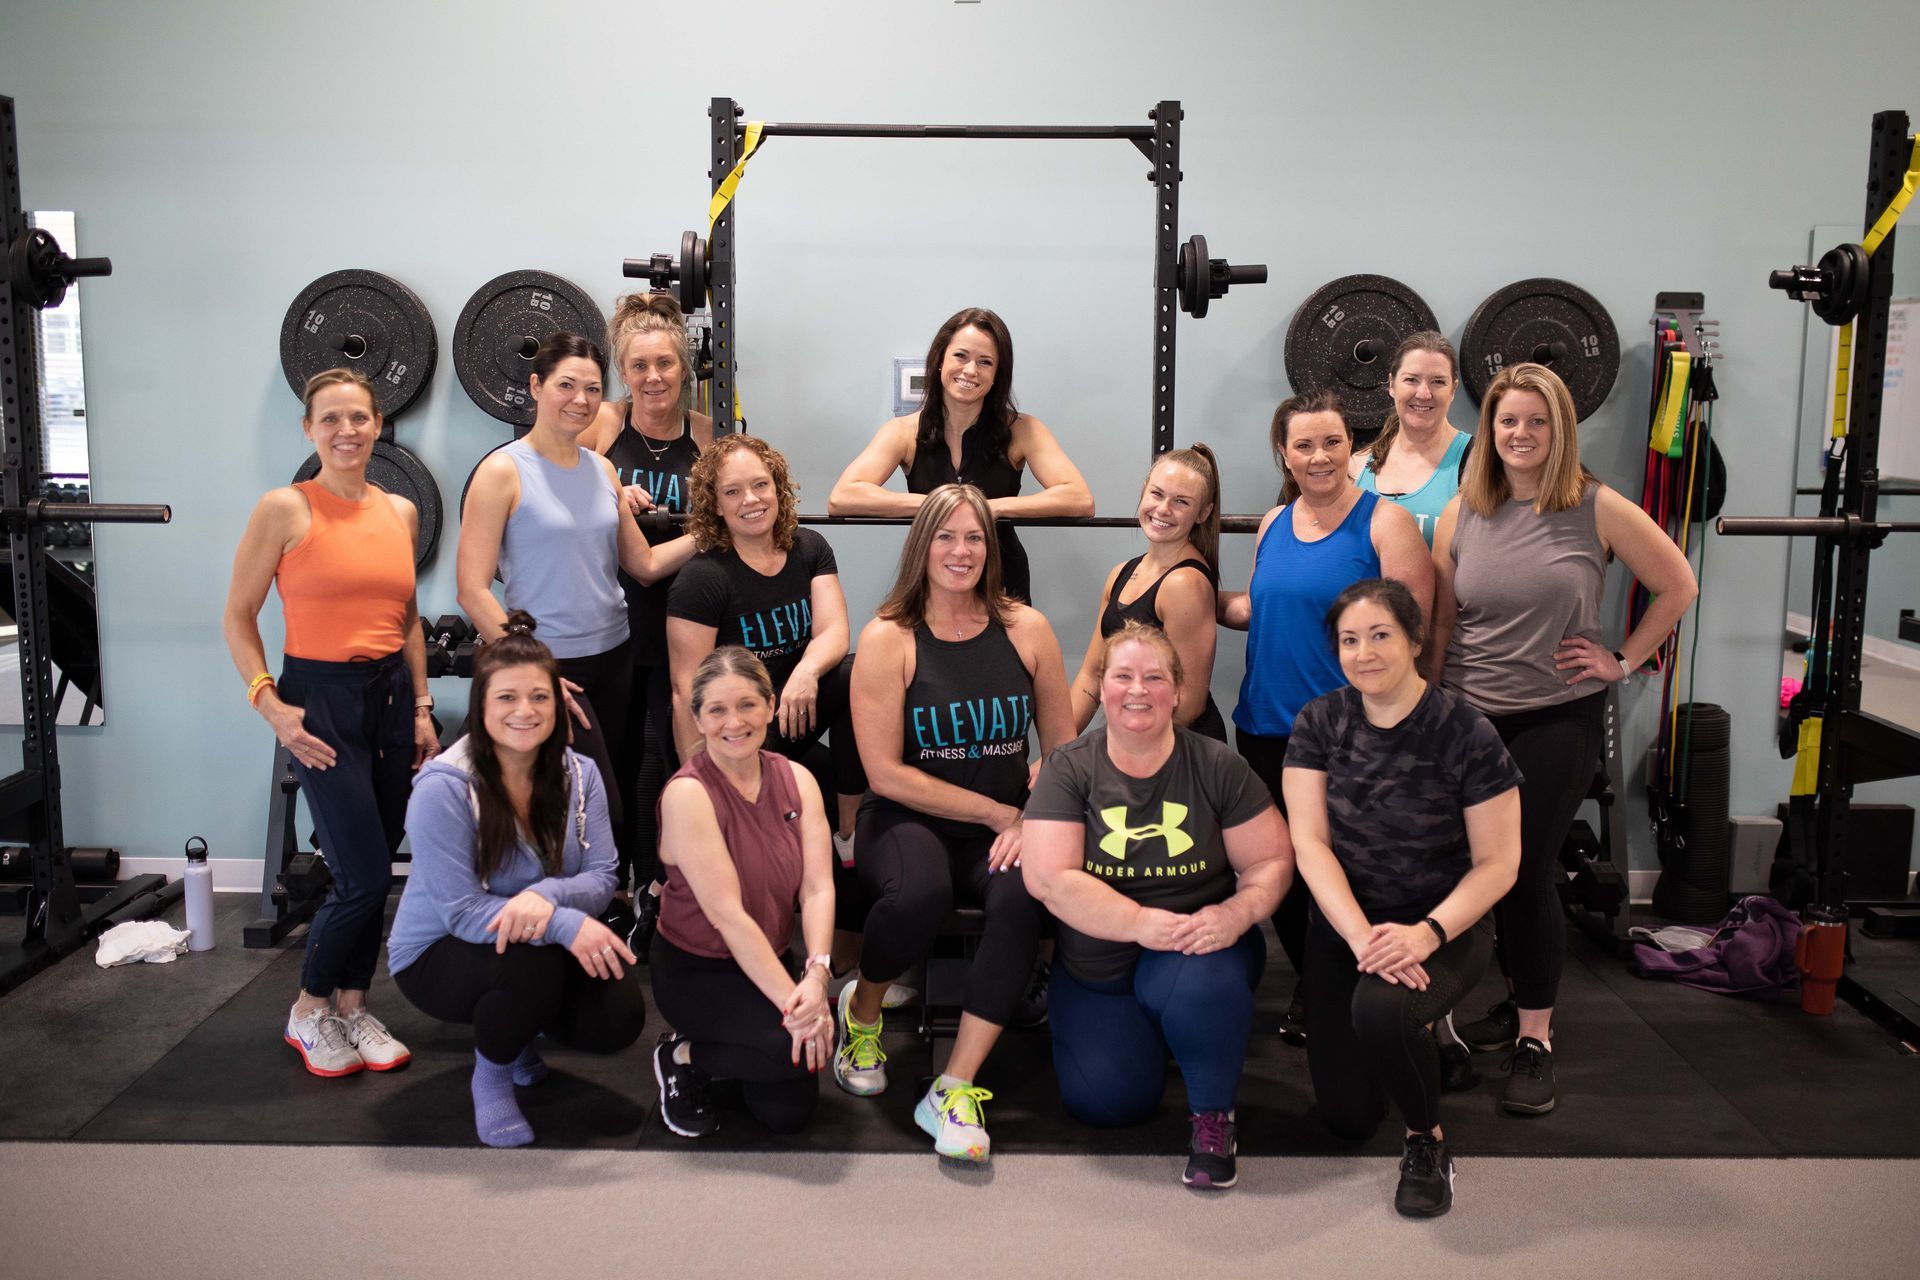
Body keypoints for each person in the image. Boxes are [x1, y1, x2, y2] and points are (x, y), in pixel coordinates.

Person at [1431, 362, 1697, 1114]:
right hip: (1469, 716)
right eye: (1508, 421)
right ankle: (1515, 1001)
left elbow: (1677, 584)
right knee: (1476, 872)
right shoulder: (1463, 512)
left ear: (1560, 431)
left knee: (1527, 870)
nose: (1520, 434)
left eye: (1536, 422)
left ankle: (1535, 1040)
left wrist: (1624, 659)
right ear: (1490, 430)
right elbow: (1448, 622)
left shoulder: (1596, 506)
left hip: (1556, 714)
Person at [839, 484, 1073, 1162]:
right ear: (922, 546)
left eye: (975, 538)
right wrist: (1002, 811)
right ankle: (862, 1010)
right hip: (909, 818)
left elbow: (1061, 751)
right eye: (946, 536)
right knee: (921, 895)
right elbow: (884, 773)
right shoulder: (889, 637)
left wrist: (1033, 819)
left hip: (1006, 826)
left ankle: (954, 1084)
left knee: (1022, 895)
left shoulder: (1027, 629)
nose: (961, 551)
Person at [1024, 622, 1292, 1190]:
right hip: (1099, 965)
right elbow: (1049, 878)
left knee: (1199, 989)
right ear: (1102, 685)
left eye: (1154, 677)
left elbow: (1271, 861)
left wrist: (1237, 914)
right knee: (1107, 1102)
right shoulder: (1069, 767)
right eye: (1122, 676)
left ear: (1177, 690)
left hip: (1197, 947)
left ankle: (1214, 1122)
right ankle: (1163, 1039)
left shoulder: (1217, 765)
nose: (1137, 690)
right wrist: (1141, 923)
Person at [1283, 579, 1522, 1217]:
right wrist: (1363, 937)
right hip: (1348, 928)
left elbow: (1500, 864)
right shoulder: (1319, 722)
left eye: (1381, 635)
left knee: (1383, 1011)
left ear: (1416, 640)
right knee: (1349, 1119)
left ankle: (1427, 1142)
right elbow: (1310, 845)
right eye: (1350, 640)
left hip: (1444, 927)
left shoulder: (1466, 732)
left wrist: (1425, 935)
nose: (1365, 652)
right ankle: (1419, 1044)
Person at [222, 367, 436, 1078]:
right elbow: (237, 617)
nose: (347, 430)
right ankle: (309, 1010)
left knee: (380, 856)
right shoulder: (285, 508)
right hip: (320, 699)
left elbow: (406, 620)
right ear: (309, 429)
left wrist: (423, 705)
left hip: (391, 700)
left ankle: (352, 1005)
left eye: (359, 418)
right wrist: (270, 703)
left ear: (379, 425)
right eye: (331, 419)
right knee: (364, 875)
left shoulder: (399, 512)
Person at [1218, 389, 1431, 1040]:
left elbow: (1414, 633)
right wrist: (1185, 593)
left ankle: (1343, 992)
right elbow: (1260, 610)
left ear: (1352, 449)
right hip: (1262, 724)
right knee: (1278, 867)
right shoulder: (1272, 524)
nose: (1319, 456)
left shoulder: (1382, 524)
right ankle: (1319, 982)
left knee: (1340, 871)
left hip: (1347, 735)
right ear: (1283, 453)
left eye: (1332, 442)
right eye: (1304, 444)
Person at [388, 613, 644, 1147]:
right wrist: (564, 924)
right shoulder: (443, 789)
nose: (524, 711)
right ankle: (493, 1077)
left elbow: (603, 875)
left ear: (559, 705)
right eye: (506, 698)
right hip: (438, 950)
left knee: (617, 1015)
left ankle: (516, 1031)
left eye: (539, 697)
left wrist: (546, 900)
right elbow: (459, 911)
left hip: (526, 940)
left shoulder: (581, 774)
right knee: (528, 968)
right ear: (482, 708)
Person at [457, 332, 695, 876]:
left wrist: (718, 527)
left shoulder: (602, 470)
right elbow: (470, 588)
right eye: (566, 385)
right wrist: (530, 669)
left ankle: (593, 918)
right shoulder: (502, 471)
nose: (580, 399)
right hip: (548, 664)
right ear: (537, 386)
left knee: (604, 810)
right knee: (564, 808)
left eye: (592, 388)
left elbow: (643, 565)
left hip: (615, 659)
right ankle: (542, 928)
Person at [649, 646, 836, 1138]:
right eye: (716, 710)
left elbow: (818, 887)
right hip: (698, 968)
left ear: (771, 706)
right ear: (698, 718)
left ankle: (748, 1043)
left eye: (747, 704)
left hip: (771, 955)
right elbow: (729, 917)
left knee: (790, 1111)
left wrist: (817, 977)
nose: (734, 722)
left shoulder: (798, 779)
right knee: (790, 1050)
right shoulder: (688, 794)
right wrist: (798, 1010)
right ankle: (681, 1054)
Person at [585, 292, 713, 937]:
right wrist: (606, 478)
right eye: (640, 367)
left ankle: (671, 890)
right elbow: (549, 468)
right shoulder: (605, 425)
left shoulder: (706, 434)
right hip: (619, 616)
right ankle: (625, 890)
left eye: (665, 364)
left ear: (683, 368)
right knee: (621, 755)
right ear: (623, 371)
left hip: (688, 620)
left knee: (673, 756)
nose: (654, 377)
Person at [666, 434, 864, 837]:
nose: (751, 500)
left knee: (857, 674)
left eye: (760, 485)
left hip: (795, 704)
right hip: (744, 725)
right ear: (716, 506)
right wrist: (702, 782)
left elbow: (834, 631)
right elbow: (686, 689)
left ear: (777, 487)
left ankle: (852, 829)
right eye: (733, 492)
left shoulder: (809, 547)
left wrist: (806, 672)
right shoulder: (702, 579)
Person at [827, 306, 1093, 603]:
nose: (970, 370)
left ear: (996, 375)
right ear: (940, 359)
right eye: (960, 356)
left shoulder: (1024, 429)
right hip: (930, 576)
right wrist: (937, 505)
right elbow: (842, 498)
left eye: (985, 362)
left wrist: (993, 508)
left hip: (1002, 579)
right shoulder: (902, 431)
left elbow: (1079, 499)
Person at [1068, 445, 1227, 741]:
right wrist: (1054, 751)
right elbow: (1091, 678)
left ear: (1203, 512)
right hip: (1134, 740)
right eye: (1157, 494)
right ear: (1143, 491)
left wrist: (1117, 753)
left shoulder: (1184, 584)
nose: (1163, 509)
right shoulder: (1121, 574)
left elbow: (1188, 706)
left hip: (1179, 751)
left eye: (1181, 502)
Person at [1350, 331, 1471, 547]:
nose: (1423, 393)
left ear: (1453, 390)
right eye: (1411, 380)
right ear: (1392, 385)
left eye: (1437, 382)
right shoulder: (1357, 466)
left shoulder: (1477, 461)